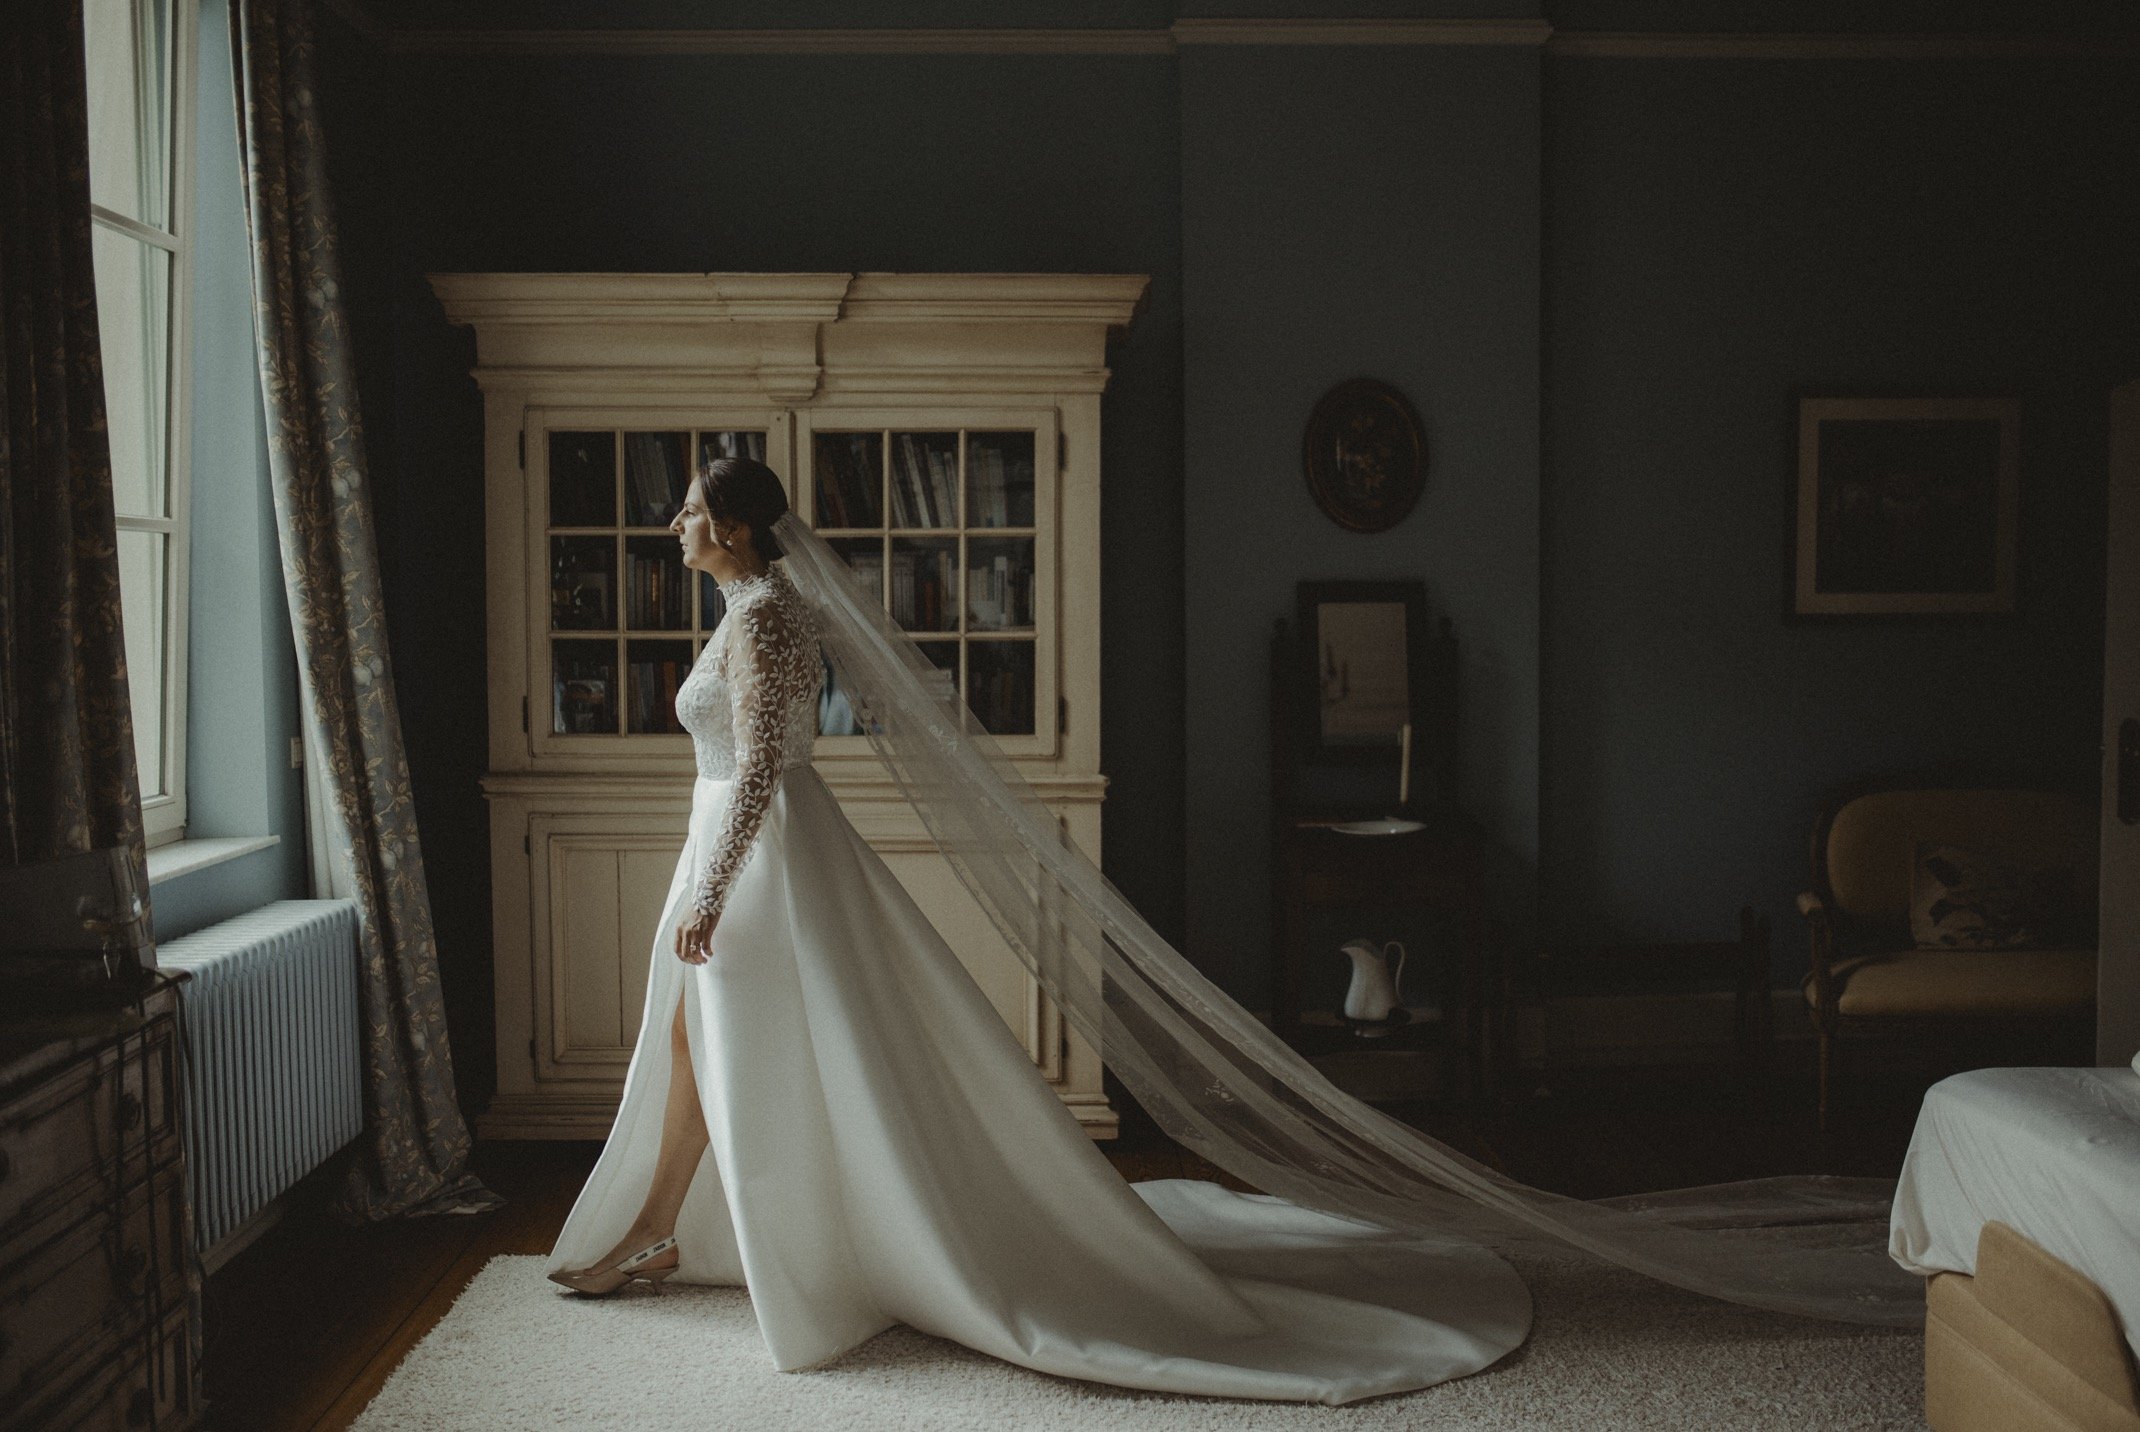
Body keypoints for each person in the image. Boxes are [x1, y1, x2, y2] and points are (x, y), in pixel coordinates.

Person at [543, 456, 1534, 1404]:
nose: (674, 528)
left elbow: (759, 765)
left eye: (687, 513)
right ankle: (664, 1226)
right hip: (737, 850)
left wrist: (712, 890)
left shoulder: (765, 619)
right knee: (694, 1041)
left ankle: (694, 1230)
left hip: (758, 863)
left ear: (737, 527)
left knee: (718, 1047)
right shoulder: (751, 611)